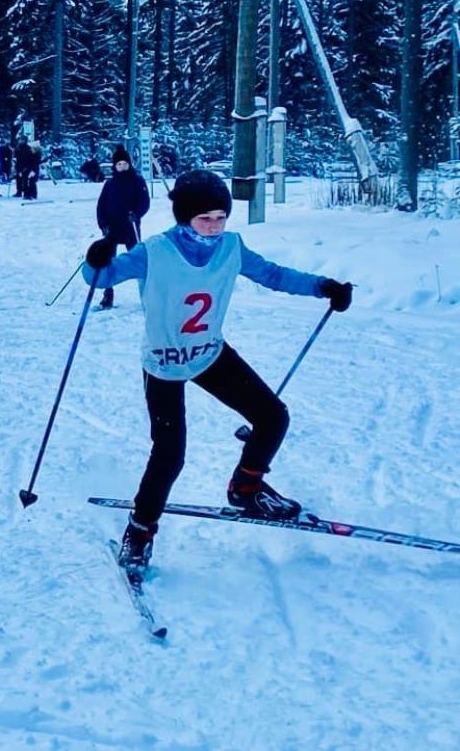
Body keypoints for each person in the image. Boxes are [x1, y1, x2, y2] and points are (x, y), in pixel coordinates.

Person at [81, 169, 354, 573]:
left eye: (220, 217)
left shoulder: (232, 247)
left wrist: (323, 286)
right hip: (164, 363)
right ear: (183, 218)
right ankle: (139, 532)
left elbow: (274, 275)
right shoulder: (155, 250)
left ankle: (246, 488)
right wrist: (94, 259)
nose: (213, 227)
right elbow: (99, 277)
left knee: (272, 416)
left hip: (210, 353)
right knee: (170, 454)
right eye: (203, 218)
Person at [94, 145, 151, 309]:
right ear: (115, 166)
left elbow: (145, 202)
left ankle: (147, 293)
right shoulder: (110, 184)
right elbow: (101, 206)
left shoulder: (137, 181)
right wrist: (103, 224)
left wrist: (137, 213)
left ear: (129, 164)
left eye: (125, 164)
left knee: (138, 260)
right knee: (107, 261)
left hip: (130, 226)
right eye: (119, 165)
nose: (122, 167)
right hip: (112, 228)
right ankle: (108, 294)